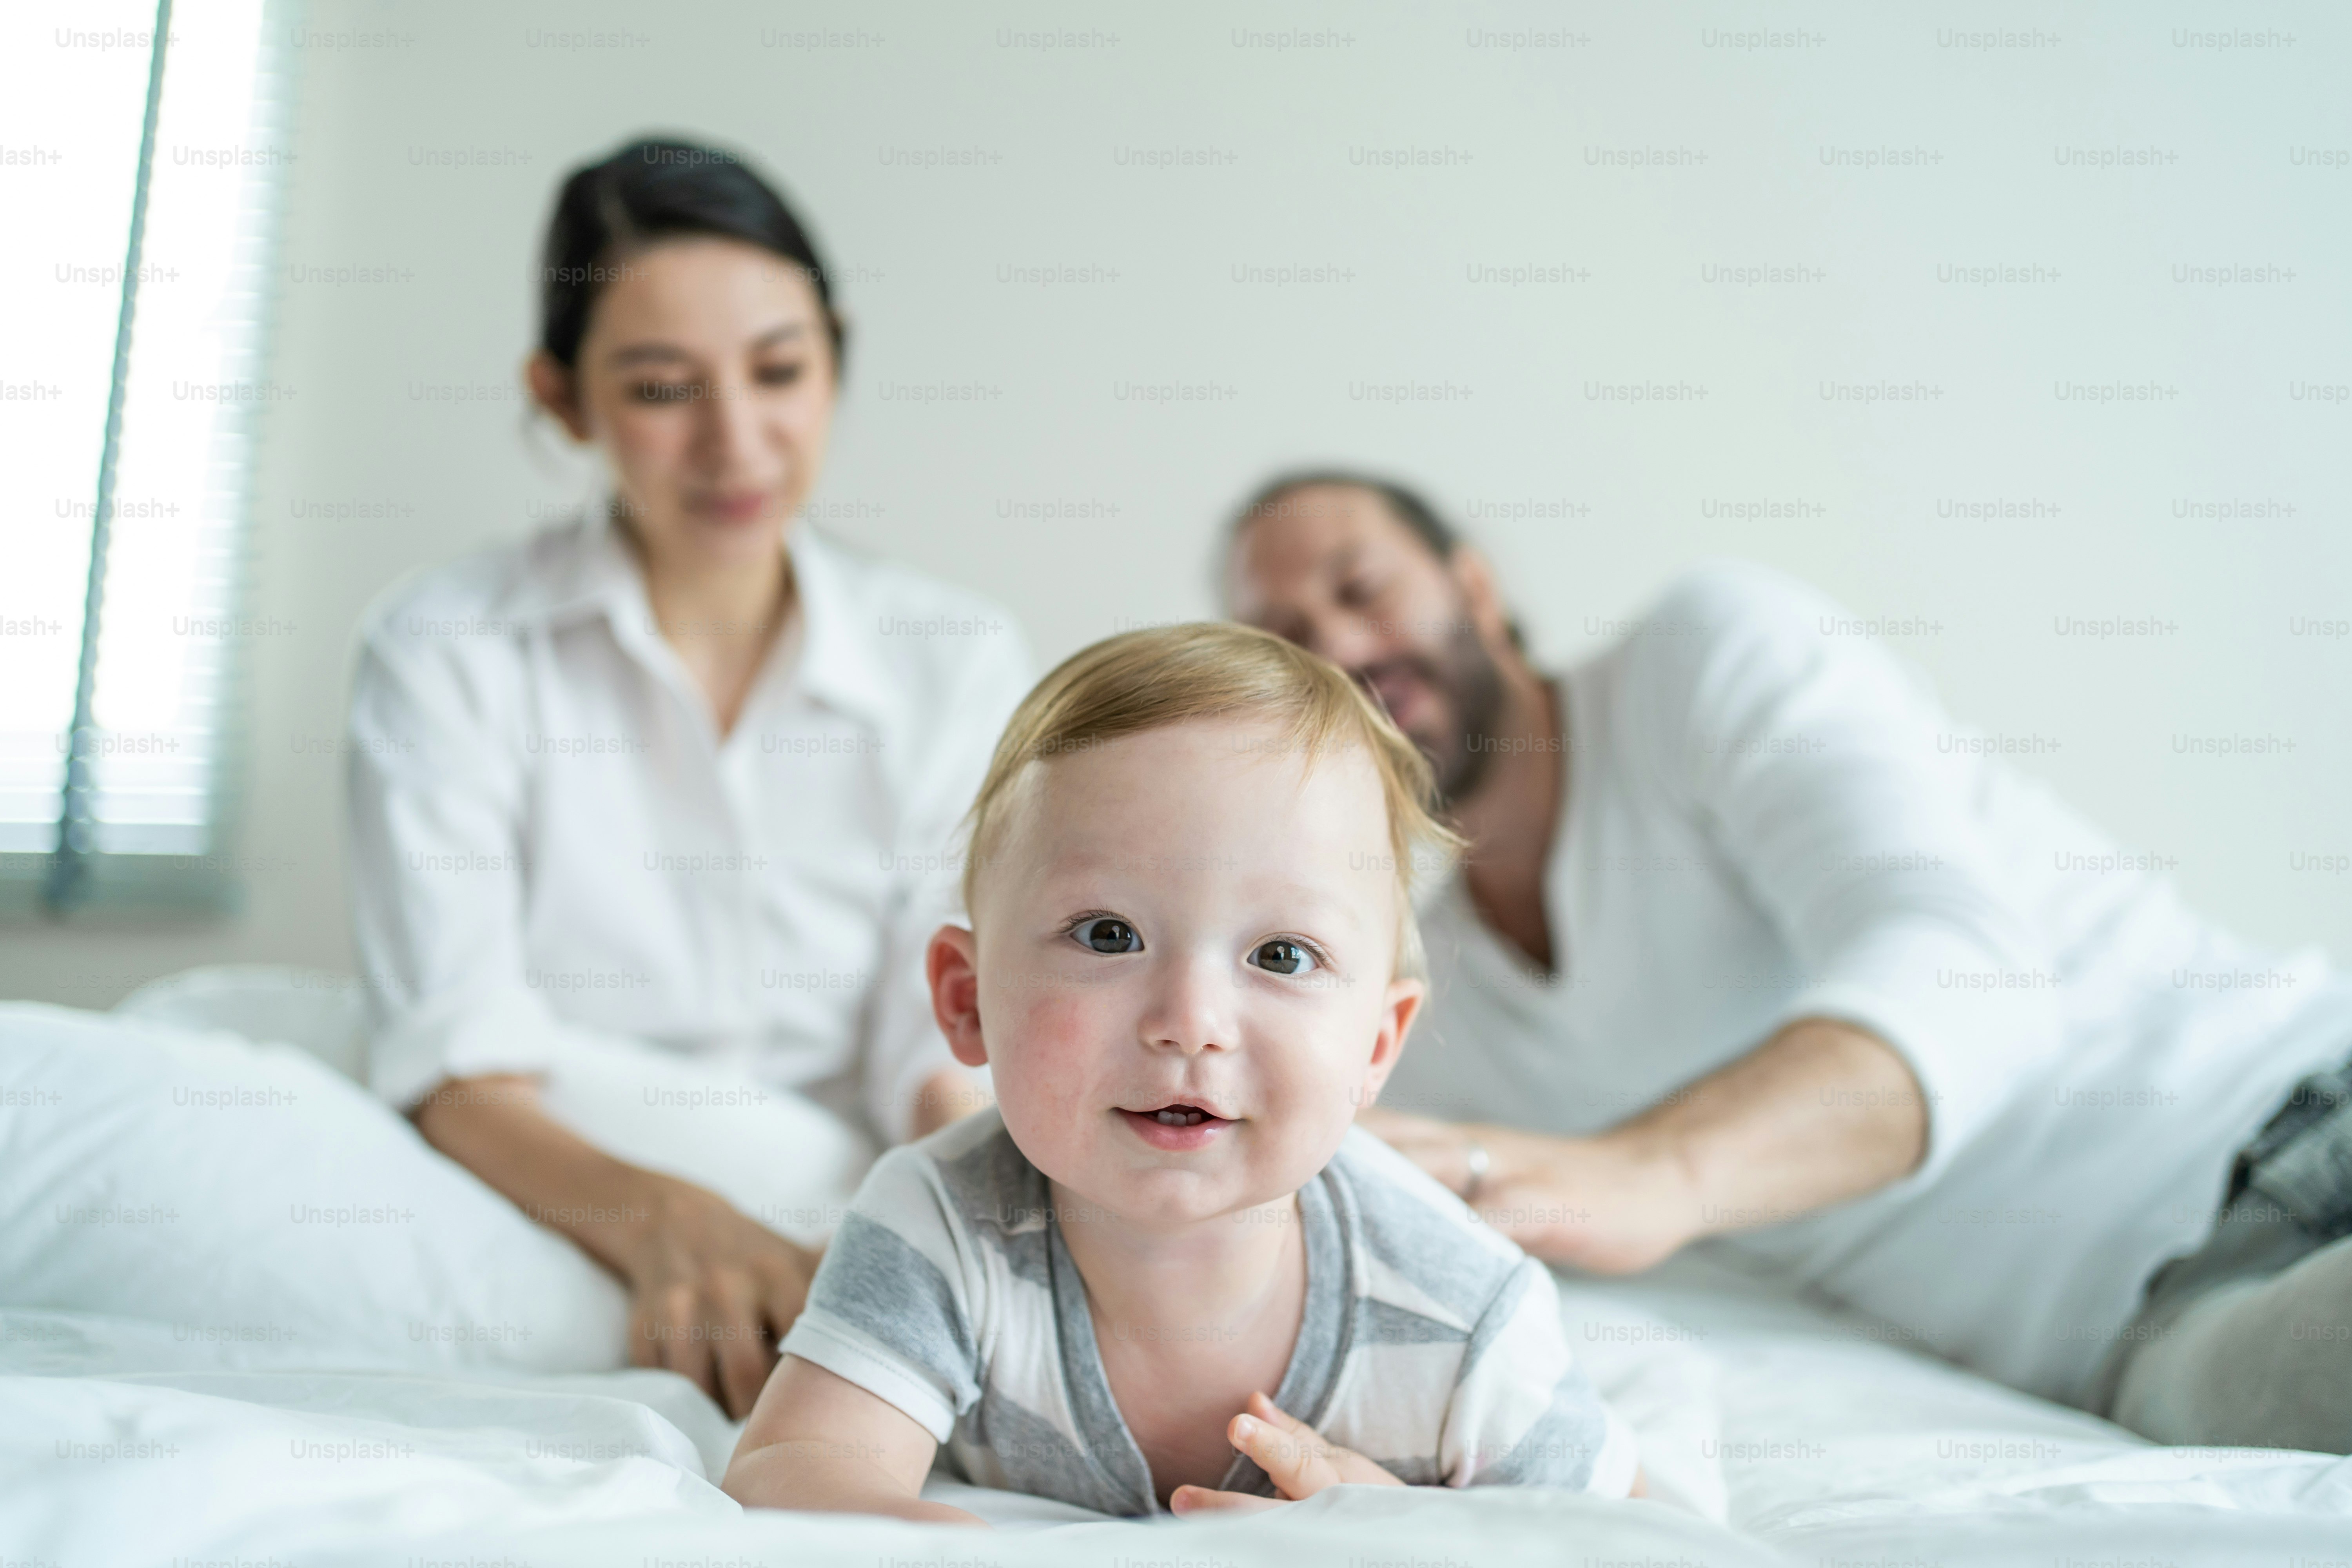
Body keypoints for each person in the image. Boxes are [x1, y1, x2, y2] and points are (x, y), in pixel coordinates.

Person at [1221, 471, 2352, 1454]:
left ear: (1473, 587)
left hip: (2284, 1113)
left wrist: (1647, 1175)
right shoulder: (1423, 996)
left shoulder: (1695, 662)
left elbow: (1972, 978)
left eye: (1361, 589)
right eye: (1290, 637)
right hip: (2135, 1342)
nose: (1344, 649)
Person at [345, 137, 1030, 1418]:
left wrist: (955, 1247)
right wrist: (665, 1218)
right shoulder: (445, 648)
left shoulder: (954, 658)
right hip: (544, 1180)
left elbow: (940, 1031)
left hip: (849, 1182)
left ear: (835, 357)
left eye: (781, 371)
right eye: (663, 388)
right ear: (561, 399)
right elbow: (457, 1061)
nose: (737, 441)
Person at [721, 625, 1639, 1523]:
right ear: (966, 1000)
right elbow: (798, 1466)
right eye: (1108, 934)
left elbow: (1624, 1539)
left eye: (1282, 954)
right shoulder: (939, 1227)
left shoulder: (1464, 1313)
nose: (1189, 1022)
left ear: (1374, 1047)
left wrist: (1400, 1524)